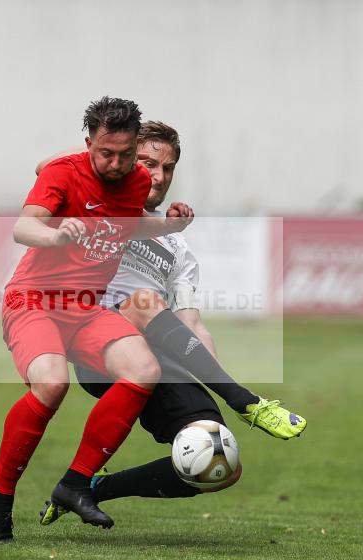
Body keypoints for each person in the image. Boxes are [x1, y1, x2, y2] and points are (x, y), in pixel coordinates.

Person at [36, 121, 306, 526]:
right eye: (147, 163)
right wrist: (112, 160)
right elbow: (45, 168)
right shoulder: (98, 202)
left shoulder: (177, 245)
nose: (159, 176)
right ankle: (245, 401)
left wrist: (211, 377)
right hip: (101, 342)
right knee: (145, 302)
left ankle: (89, 488)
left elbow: (192, 323)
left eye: (168, 168)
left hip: (160, 349)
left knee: (221, 463)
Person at [0, 98, 194, 543]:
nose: (116, 164)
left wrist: (169, 228)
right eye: (105, 153)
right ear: (89, 143)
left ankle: (75, 484)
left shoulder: (135, 182)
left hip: (85, 308)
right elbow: (24, 227)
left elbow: (128, 225)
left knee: (143, 368)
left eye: (125, 155)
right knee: (52, 384)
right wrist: (55, 234)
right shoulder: (63, 172)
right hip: (34, 302)